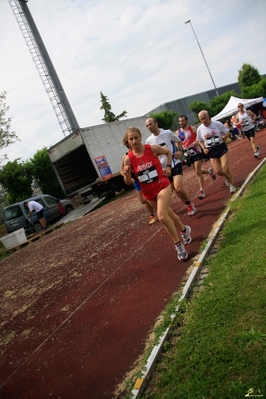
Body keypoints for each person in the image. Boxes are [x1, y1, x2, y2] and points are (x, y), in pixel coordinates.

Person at [122, 126, 192, 261]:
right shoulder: (128, 159)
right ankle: (185, 230)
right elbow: (128, 182)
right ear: (128, 141)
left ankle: (178, 245)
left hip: (162, 185)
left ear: (140, 137)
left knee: (162, 216)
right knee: (170, 215)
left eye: (136, 137)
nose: (134, 141)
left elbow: (167, 152)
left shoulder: (151, 148)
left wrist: (167, 166)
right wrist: (126, 175)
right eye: (131, 139)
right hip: (149, 193)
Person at [145, 117, 197, 216]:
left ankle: (190, 205)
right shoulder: (149, 141)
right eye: (147, 125)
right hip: (163, 169)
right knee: (175, 189)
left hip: (174, 163)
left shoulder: (167, 133)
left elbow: (179, 141)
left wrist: (180, 151)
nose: (149, 126)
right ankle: (187, 204)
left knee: (178, 187)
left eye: (150, 124)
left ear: (156, 123)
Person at [196, 110, 237, 194]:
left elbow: (227, 132)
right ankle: (227, 177)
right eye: (201, 119)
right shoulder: (200, 129)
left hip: (221, 147)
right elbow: (199, 140)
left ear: (208, 116)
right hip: (211, 150)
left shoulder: (217, 124)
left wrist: (225, 137)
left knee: (225, 166)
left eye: (205, 118)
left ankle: (232, 185)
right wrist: (204, 148)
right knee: (218, 171)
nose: (203, 120)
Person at [176, 114, 216, 199]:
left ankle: (202, 190)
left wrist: (197, 143)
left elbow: (200, 138)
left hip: (196, 152)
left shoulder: (193, 129)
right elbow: (177, 143)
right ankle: (209, 172)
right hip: (188, 154)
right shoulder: (177, 132)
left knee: (197, 171)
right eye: (180, 121)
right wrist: (180, 149)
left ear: (186, 121)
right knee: (198, 170)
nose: (181, 122)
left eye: (182, 121)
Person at [120, 153, 157, 224]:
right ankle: (156, 212)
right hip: (136, 181)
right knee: (143, 200)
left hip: (145, 177)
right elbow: (122, 170)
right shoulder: (126, 157)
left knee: (149, 196)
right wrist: (128, 176)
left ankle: (155, 213)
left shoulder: (141, 153)